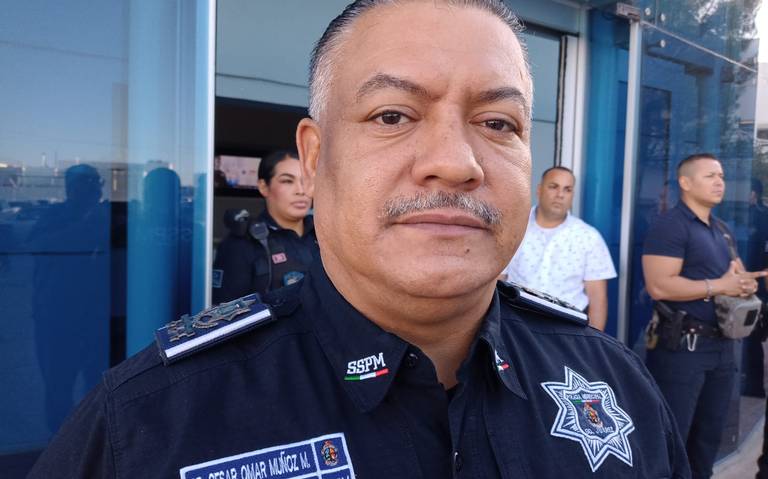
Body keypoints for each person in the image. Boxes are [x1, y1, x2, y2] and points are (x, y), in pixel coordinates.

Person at [30, 1, 689, 477]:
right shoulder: (150, 424)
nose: (456, 162)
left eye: (497, 122)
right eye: (393, 115)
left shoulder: (616, 386)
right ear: (315, 158)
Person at [642, 153, 767, 479]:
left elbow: (733, 276)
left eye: (721, 176)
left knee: (707, 441)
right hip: (682, 350)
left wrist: (745, 283)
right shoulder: (670, 226)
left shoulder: (722, 229)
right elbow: (659, 285)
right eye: (710, 176)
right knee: (672, 441)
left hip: (721, 349)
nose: (719, 182)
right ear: (685, 182)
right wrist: (720, 285)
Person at [502, 166, 616, 330]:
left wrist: (592, 343)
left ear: (572, 195)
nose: (560, 195)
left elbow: (598, 300)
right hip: (516, 325)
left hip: (567, 330)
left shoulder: (588, 237)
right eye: (553, 186)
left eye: (567, 189)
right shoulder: (513, 229)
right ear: (539, 190)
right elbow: (495, 283)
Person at [212, 150, 318, 302]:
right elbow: (226, 311)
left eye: (306, 181)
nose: (301, 191)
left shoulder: (324, 236)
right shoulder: (242, 245)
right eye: (287, 181)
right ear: (264, 187)